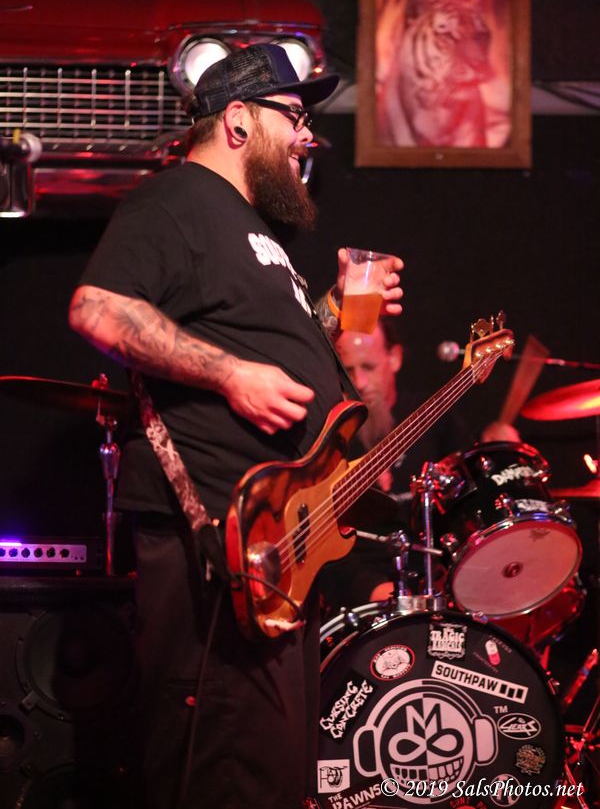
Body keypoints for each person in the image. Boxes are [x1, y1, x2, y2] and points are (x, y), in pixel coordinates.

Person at [68, 43, 403, 809]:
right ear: (239, 120)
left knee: (274, 777)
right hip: (219, 542)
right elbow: (97, 308)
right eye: (296, 118)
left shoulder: (254, 231)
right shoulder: (175, 199)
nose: (308, 138)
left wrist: (334, 312)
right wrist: (229, 374)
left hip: (278, 550)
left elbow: (268, 349)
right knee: (228, 774)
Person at [318, 318, 470, 613]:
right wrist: (371, 589)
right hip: (360, 602)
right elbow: (320, 545)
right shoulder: (329, 435)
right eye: (348, 371)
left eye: (369, 367)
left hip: (437, 589)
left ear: (395, 357)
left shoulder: (433, 419)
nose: (360, 383)